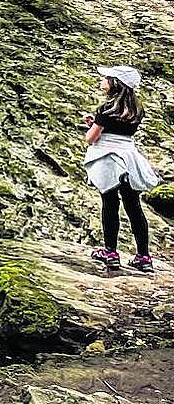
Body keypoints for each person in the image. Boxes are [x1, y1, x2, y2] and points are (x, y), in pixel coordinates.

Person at [83, 65, 161, 273]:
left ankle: (111, 252)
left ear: (114, 83)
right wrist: (98, 123)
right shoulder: (136, 108)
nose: (102, 81)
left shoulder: (105, 109)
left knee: (110, 203)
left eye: (105, 78)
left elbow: (91, 138)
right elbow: (120, 130)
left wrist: (93, 125)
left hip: (108, 159)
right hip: (129, 158)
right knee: (133, 206)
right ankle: (144, 257)